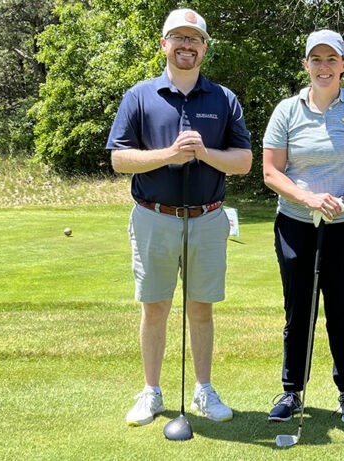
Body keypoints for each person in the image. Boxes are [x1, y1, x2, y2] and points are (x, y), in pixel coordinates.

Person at [106, 8, 252, 426]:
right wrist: (169, 156)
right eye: (179, 37)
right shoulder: (139, 95)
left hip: (207, 218)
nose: (187, 45)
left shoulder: (223, 98)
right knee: (155, 306)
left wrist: (205, 154)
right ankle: (151, 392)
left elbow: (243, 161)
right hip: (154, 215)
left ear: (204, 47)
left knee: (201, 307)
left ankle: (204, 390)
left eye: (195, 39)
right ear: (163, 43)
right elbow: (120, 159)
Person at [262, 29, 344, 424]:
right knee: (299, 312)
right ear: (305, 65)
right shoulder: (287, 110)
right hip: (296, 224)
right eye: (316, 59)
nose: (323, 67)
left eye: (331, 59)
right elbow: (271, 171)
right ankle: (291, 392)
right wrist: (308, 198)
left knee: (343, 312)